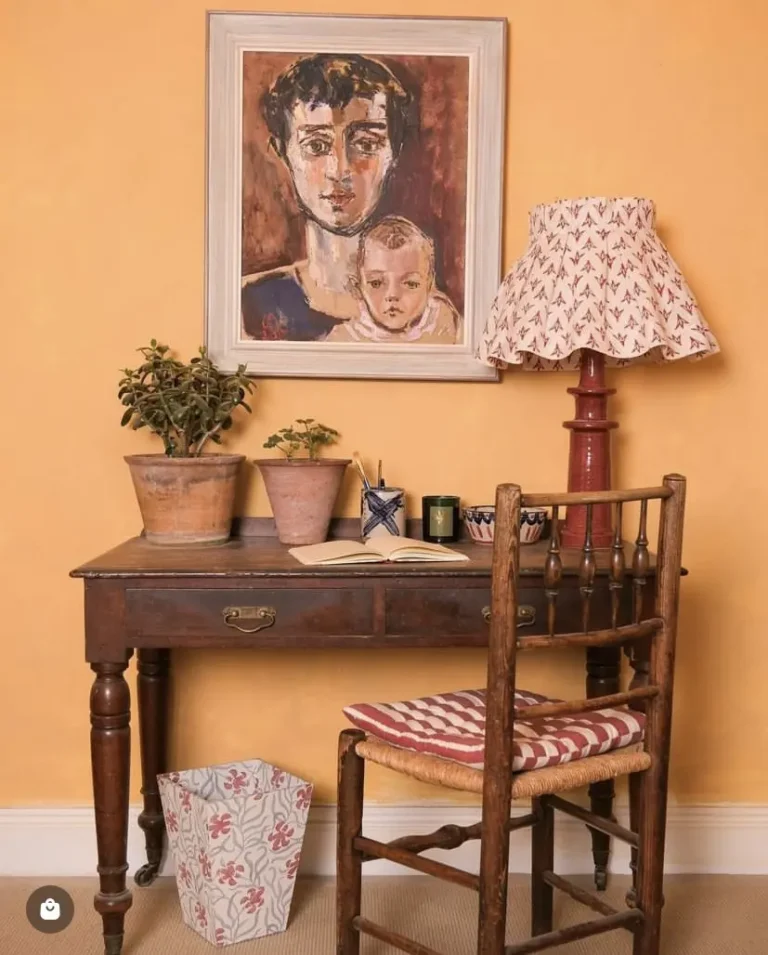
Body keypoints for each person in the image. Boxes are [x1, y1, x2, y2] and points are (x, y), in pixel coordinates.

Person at [242, 53, 415, 341]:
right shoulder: (247, 307)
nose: (339, 169)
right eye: (316, 145)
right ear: (283, 153)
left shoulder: (430, 315)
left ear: (393, 152)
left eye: (366, 143)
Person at [325, 216, 461, 344]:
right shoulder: (345, 338)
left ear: (429, 285)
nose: (393, 295)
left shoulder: (447, 325)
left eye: (410, 284)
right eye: (376, 283)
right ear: (359, 287)